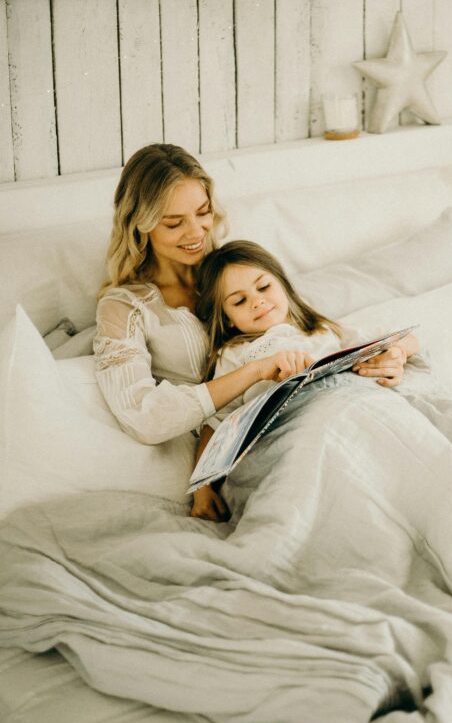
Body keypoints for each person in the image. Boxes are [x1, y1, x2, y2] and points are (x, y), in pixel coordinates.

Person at [93, 144, 414, 522]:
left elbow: (313, 329)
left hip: (315, 409)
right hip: (248, 444)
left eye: (203, 212)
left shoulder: (237, 271)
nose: (196, 232)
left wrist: (395, 355)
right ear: (139, 222)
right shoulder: (125, 308)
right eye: (173, 222)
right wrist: (256, 371)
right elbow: (145, 419)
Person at [191, 240, 421, 519]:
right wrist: (202, 490)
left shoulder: (322, 330)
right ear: (226, 318)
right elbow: (216, 424)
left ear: (283, 286)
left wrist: (396, 353)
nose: (257, 301)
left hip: (353, 410)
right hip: (296, 435)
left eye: (264, 287)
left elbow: (405, 338)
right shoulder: (236, 354)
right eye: (240, 301)